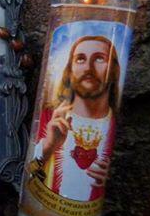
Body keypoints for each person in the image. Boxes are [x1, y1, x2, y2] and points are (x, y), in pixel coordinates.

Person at [31, 35, 120, 201]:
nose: (88, 67)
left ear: (114, 70)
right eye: (80, 59)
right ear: (69, 69)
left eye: (99, 59)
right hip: (45, 210)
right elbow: (29, 175)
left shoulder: (113, 123)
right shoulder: (50, 116)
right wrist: (48, 146)